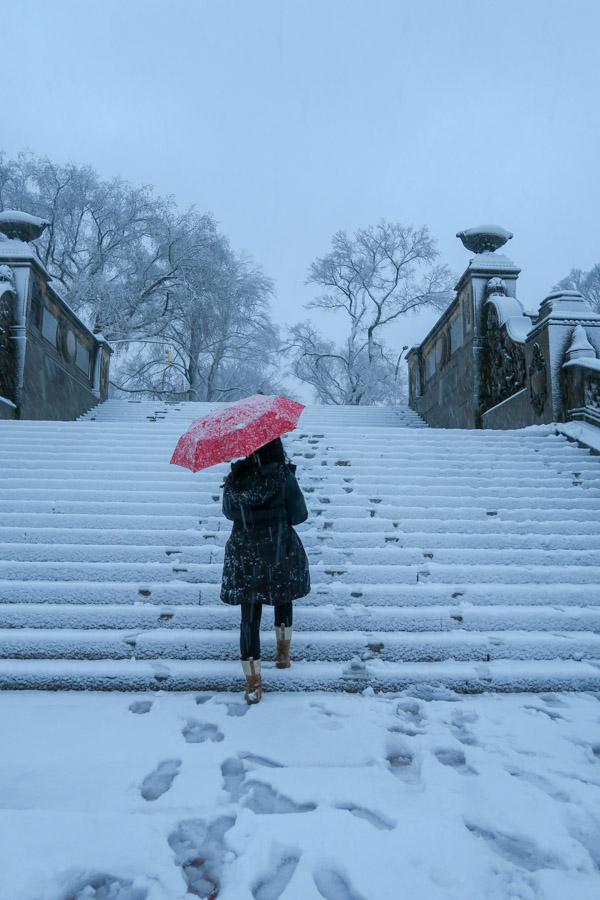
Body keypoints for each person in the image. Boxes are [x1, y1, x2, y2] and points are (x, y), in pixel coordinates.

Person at [220, 437, 310, 704]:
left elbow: (228, 512)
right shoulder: (282, 476)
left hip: (246, 553)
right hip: (278, 548)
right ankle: (283, 655)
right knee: (283, 595)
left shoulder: (235, 479)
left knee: (249, 617)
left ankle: (253, 684)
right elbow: (299, 515)